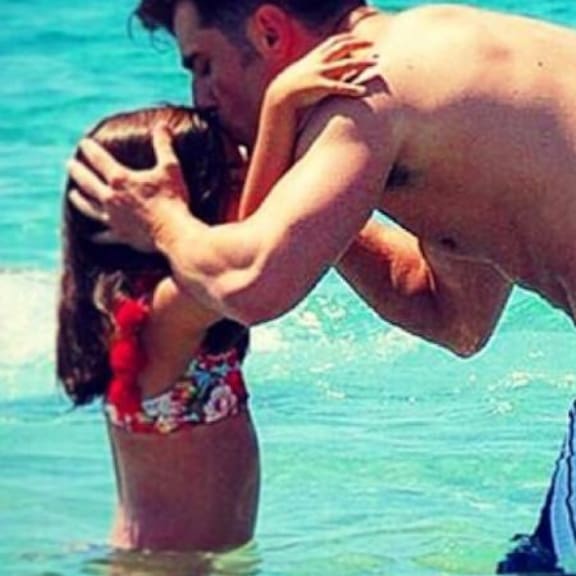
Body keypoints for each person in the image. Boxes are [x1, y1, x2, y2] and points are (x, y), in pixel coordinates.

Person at [67, 0, 576, 572]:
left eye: (202, 63)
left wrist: (161, 219)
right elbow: (454, 319)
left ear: (270, 31)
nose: (202, 97)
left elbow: (250, 283)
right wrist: (300, 195)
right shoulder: (466, 54)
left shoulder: (365, 87)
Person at [57, 35, 375, 552]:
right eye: (231, 174)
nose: (246, 180)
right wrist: (279, 105)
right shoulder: (161, 315)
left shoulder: (169, 308)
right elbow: (248, 248)